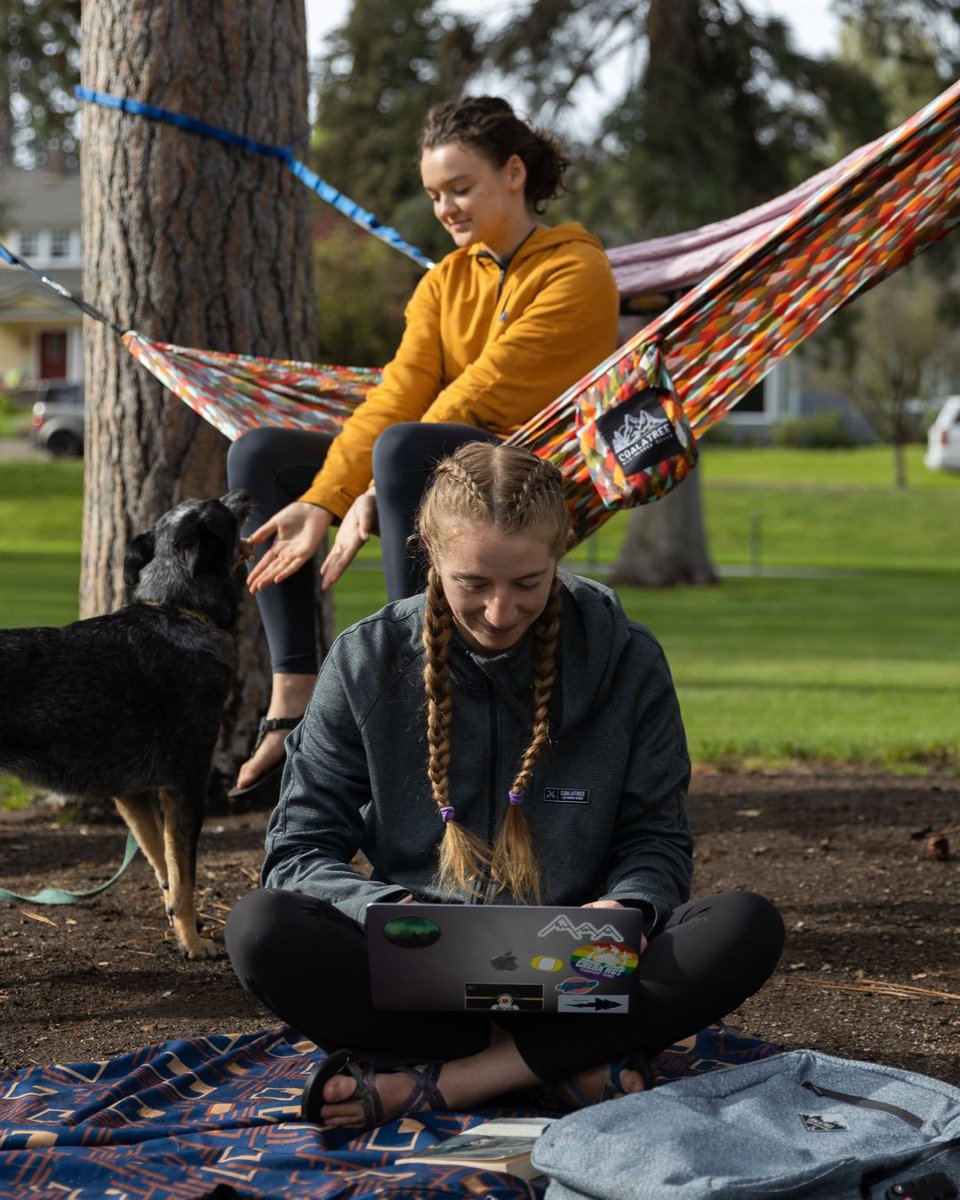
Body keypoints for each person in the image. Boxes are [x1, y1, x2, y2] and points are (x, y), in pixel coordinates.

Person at [225, 442, 785, 1130]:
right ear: (428, 552)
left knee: (744, 927)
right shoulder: (366, 660)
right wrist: (388, 907)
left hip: (579, 971)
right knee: (260, 928)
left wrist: (625, 909)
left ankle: (445, 1084)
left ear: (561, 552)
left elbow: (656, 839)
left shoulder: (629, 660)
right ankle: (559, 1067)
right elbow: (299, 852)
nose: (498, 612)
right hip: (417, 973)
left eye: (527, 582)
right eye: (473, 584)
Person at [225, 95, 621, 802]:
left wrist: (376, 486)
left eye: (460, 188)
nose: (446, 209)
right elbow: (396, 395)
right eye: (436, 195)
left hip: (524, 473)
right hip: (425, 457)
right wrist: (322, 498)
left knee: (405, 447)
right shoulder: (445, 281)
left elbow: (480, 396)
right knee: (261, 456)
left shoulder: (575, 273)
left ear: (514, 174)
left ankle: (420, 687)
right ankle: (294, 695)